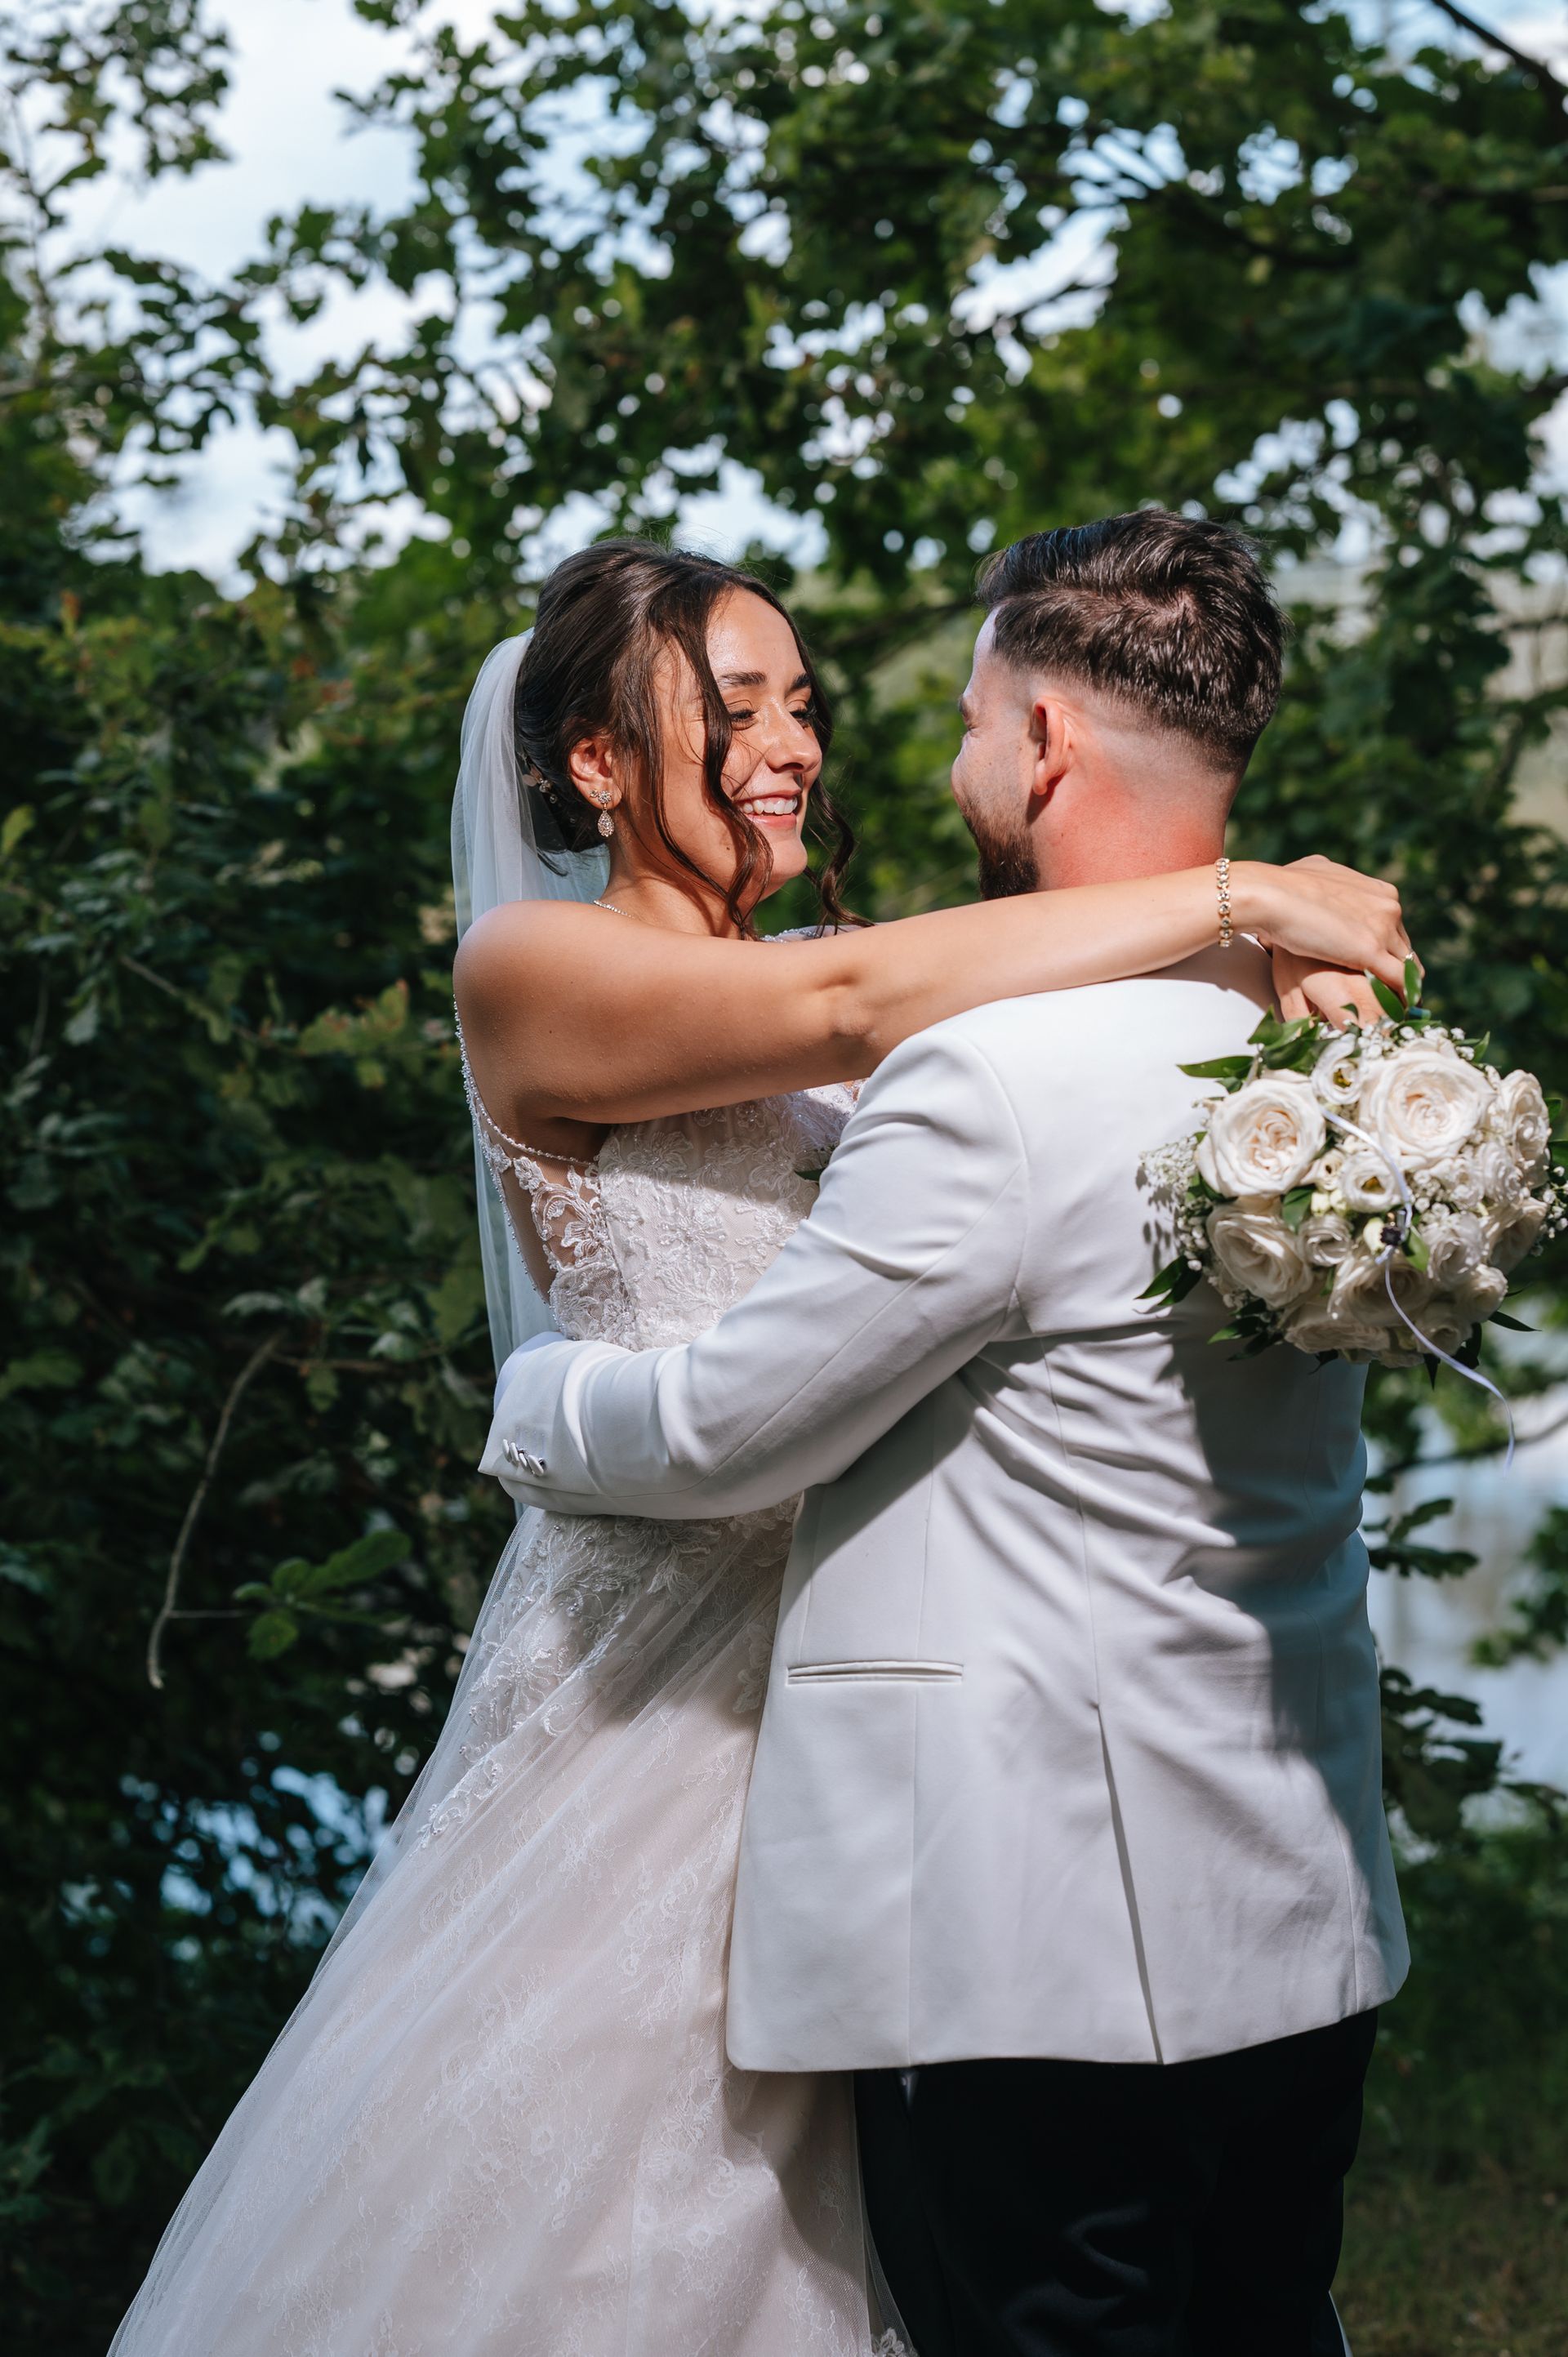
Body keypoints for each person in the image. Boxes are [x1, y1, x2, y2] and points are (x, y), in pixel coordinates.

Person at [109, 529, 1406, 2356]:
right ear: (593, 762)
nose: (793, 743)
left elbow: (1031, 1030)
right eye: (733, 710)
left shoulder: (867, 967)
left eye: (802, 701)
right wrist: (1252, 889)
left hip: (878, 1677)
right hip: (659, 1661)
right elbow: (847, 1015)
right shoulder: (531, 969)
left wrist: (1284, 980)